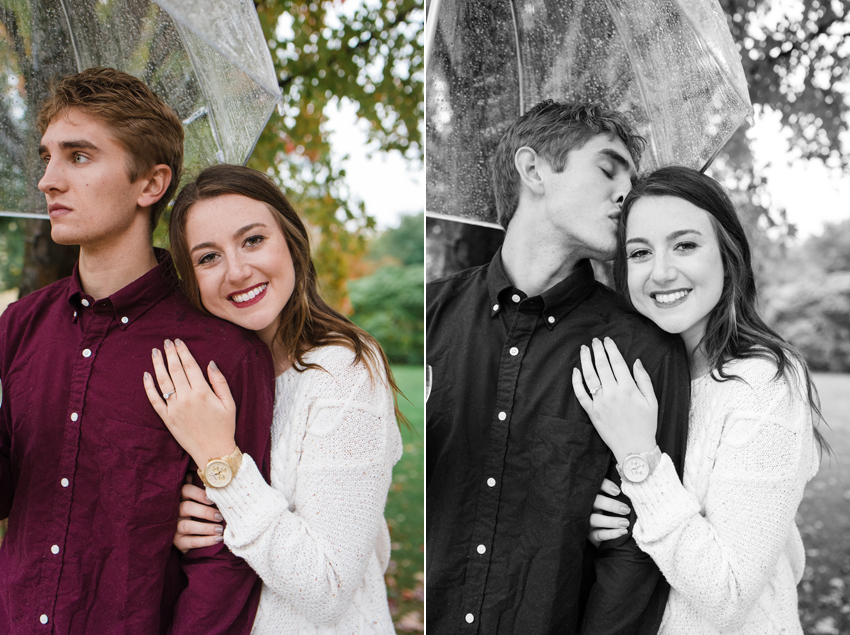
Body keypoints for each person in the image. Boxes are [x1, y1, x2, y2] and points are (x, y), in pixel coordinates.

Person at [0, 68, 275, 634]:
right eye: (48, 157)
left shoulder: (220, 348)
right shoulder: (19, 326)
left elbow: (225, 562)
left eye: (78, 156)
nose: (48, 180)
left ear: (151, 184)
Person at [426, 100, 692, 634]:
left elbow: (636, 559)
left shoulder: (645, 351)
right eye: (607, 169)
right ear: (533, 170)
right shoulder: (429, 315)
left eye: (631, 180)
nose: (627, 195)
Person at [139, 164, 403, 634]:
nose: (237, 271)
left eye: (253, 240)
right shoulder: (208, 379)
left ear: (291, 241)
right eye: (207, 257)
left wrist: (220, 461)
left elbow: (327, 587)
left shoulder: (344, 373)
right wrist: (179, 525)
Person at [574, 166, 824, 633]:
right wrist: (596, 521)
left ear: (727, 255)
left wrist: (639, 459)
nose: (662, 272)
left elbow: (727, 593)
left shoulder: (764, 383)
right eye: (641, 252)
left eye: (685, 245)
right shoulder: (634, 377)